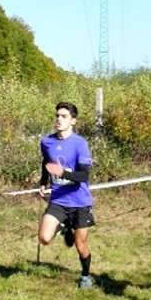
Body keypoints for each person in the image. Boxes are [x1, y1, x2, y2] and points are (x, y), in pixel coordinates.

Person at [38, 101, 95, 289]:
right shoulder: (47, 142)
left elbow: (84, 176)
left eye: (64, 116)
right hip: (59, 199)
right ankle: (64, 226)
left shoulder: (80, 143)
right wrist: (42, 183)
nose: (59, 119)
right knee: (44, 238)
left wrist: (63, 173)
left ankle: (86, 276)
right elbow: (47, 163)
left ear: (73, 121)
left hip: (80, 201)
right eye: (57, 116)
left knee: (81, 244)